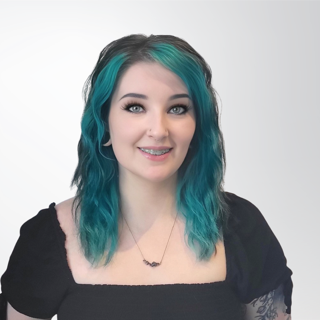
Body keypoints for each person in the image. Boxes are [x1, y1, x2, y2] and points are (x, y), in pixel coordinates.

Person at [0, 34, 293, 320]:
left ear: (196, 126)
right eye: (135, 107)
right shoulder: (49, 239)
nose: (159, 129)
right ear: (104, 124)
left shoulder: (241, 227)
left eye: (177, 108)